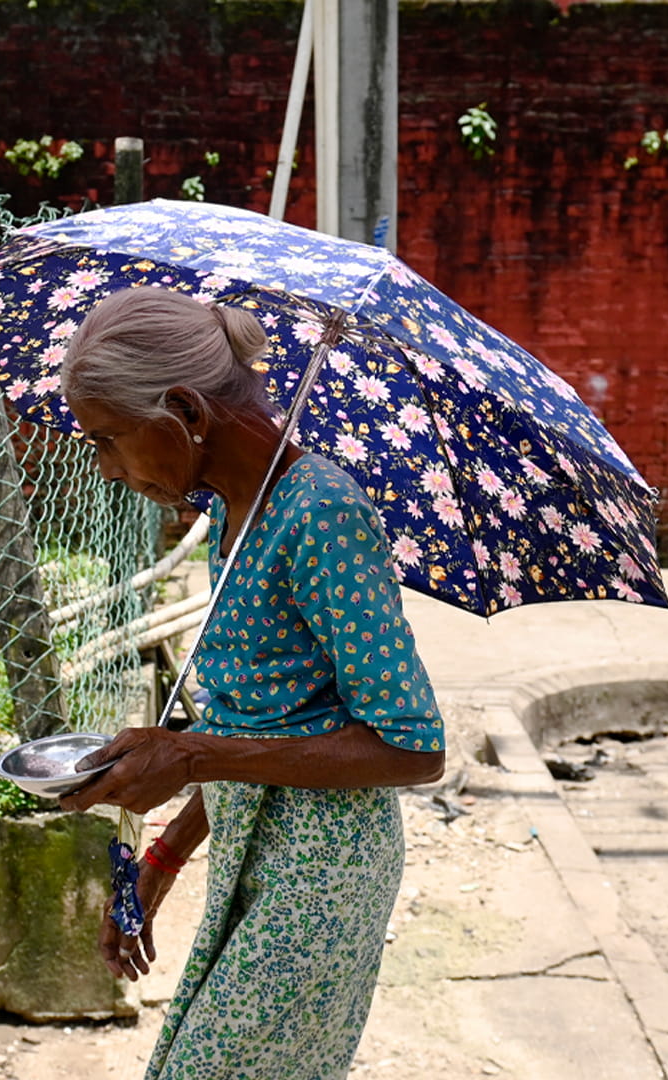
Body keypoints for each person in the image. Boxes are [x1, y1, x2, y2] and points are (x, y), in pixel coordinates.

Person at [57, 287, 446, 1079]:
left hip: (321, 878)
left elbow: (413, 750)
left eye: (108, 441)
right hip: (253, 858)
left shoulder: (320, 513)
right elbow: (264, 729)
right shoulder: (233, 518)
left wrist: (192, 755)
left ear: (185, 412)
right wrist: (162, 864)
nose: (105, 468)